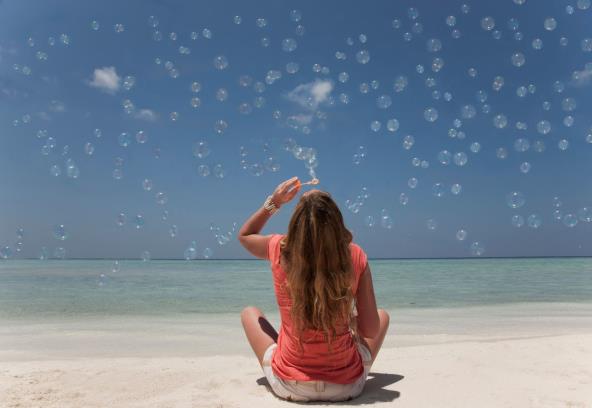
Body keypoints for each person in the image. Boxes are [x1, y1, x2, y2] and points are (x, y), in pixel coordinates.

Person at [238, 176, 390, 402]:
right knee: (382, 315)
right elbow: (370, 330)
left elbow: (245, 236)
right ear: (336, 221)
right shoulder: (355, 255)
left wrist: (274, 202)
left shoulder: (279, 249)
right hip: (347, 386)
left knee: (249, 313)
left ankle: (293, 356)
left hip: (290, 385)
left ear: (296, 223)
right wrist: (350, 320)